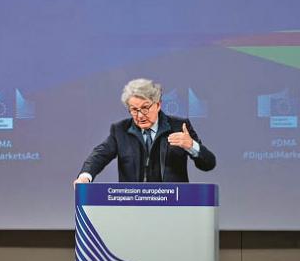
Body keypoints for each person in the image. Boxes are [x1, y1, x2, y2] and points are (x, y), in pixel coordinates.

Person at [74, 78, 216, 184]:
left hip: (173, 206)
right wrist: (85, 176)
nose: (140, 115)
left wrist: (192, 146)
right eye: (134, 110)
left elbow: (208, 163)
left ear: (158, 104)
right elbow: (99, 155)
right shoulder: (120, 130)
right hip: (133, 206)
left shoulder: (179, 126)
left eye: (145, 107)